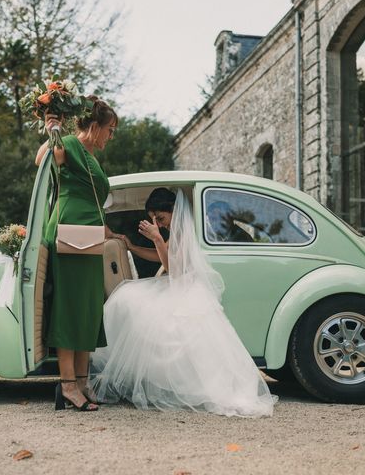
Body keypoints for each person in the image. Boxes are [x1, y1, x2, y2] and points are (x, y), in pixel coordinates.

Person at [93, 188, 277, 417]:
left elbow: (172, 268)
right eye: (155, 220)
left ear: (173, 211)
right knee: (128, 298)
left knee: (130, 299)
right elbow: (160, 255)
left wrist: (157, 237)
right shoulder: (175, 229)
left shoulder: (183, 231)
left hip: (187, 287)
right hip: (181, 284)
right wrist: (131, 246)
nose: (158, 224)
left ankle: (168, 382)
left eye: (160, 218)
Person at [35, 96, 118, 412]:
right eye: (109, 130)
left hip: (90, 239)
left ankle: (82, 380)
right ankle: (68, 385)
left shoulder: (91, 154)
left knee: (87, 309)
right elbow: (42, 160)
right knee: (71, 308)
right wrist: (53, 131)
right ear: (95, 126)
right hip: (70, 236)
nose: (110, 136)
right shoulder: (68, 143)